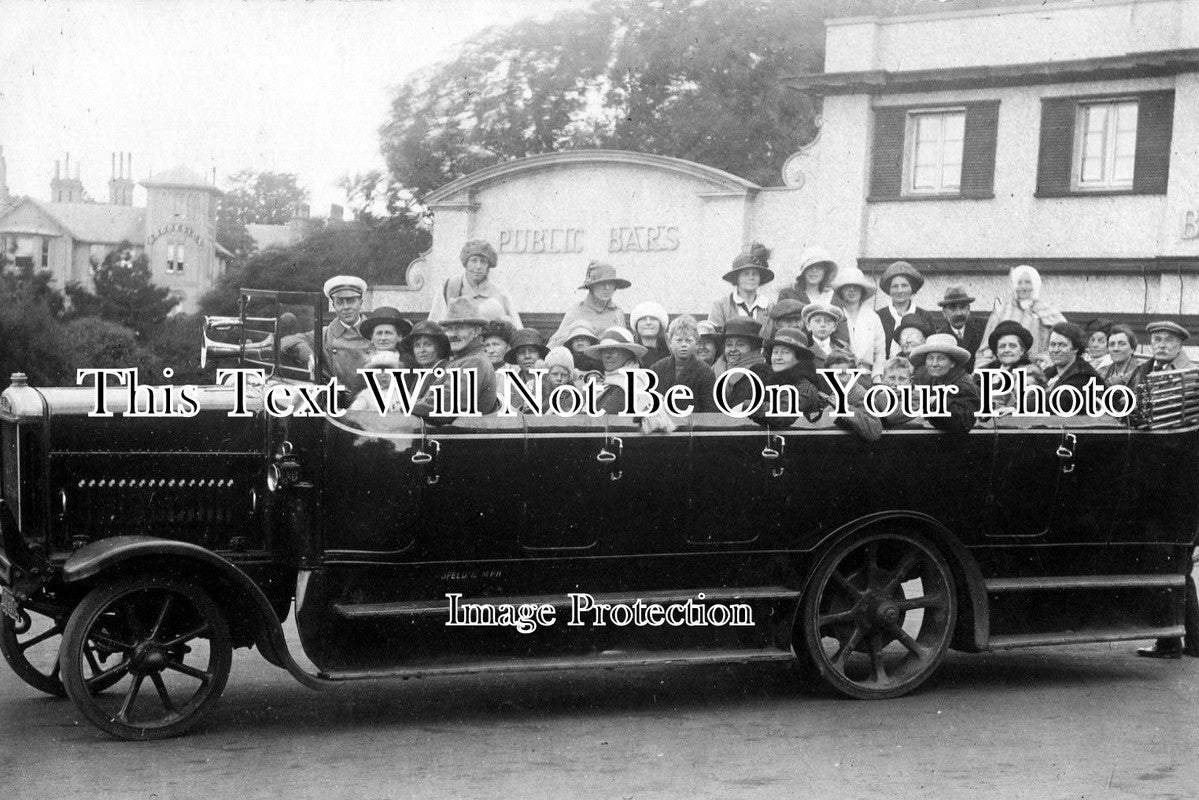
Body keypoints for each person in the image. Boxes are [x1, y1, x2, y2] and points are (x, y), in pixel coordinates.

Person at [281, 275, 374, 389]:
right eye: (340, 302)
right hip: (337, 401)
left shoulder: (377, 333)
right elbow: (286, 341)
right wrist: (308, 354)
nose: (346, 307)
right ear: (333, 305)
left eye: (351, 301)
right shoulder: (325, 334)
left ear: (361, 303)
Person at [412, 297, 498, 418]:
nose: (452, 334)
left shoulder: (475, 362)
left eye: (460, 328)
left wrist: (406, 407)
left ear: (477, 331)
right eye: (449, 329)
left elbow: (445, 404)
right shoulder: (462, 360)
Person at [976, 264, 1067, 367]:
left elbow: (1063, 340)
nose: (1023, 287)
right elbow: (985, 349)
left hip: (1037, 369)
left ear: (1035, 285)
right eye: (1019, 283)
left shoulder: (1048, 311)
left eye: (1028, 282)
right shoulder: (1001, 311)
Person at [428, 239, 522, 328]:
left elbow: (518, 330)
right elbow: (434, 328)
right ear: (466, 263)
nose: (478, 266)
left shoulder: (501, 295)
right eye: (473, 260)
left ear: (488, 266)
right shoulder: (449, 288)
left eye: (483, 262)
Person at [900, 333, 981, 433]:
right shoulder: (929, 378)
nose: (934, 364)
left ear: (952, 363)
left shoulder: (964, 385)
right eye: (930, 358)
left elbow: (964, 423)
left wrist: (936, 401)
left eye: (941, 358)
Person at [547, 262, 629, 348]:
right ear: (591, 287)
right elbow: (554, 345)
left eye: (611, 283)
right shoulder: (576, 311)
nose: (607, 288)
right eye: (602, 283)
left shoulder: (617, 312)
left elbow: (625, 344)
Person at [649, 314, 716, 414]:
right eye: (679, 340)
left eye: (688, 340)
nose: (684, 344)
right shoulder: (657, 369)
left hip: (693, 426)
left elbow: (709, 411)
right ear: (670, 342)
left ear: (696, 343)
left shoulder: (705, 372)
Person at [832, 266, 887, 383]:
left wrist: (877, 377)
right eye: (847, 287)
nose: (852, 290)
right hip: (840, 376)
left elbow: (880, 352)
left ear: (862, 290)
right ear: (841, 290)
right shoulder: (835, 316)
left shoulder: (872, 317)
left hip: (866, 375)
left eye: (856, 286)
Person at [975, 319, 1044, 412]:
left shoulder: (1030, 373)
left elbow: (1027, 403)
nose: (1006, 350)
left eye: (1012, 346)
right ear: (997, 352)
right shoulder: (982, 374)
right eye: (1002, 346)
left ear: (1022, 350)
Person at [581, 327, 651, 415]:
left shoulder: (629, 384)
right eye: (604, 351)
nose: (607, 356)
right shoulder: (603, 383)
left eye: (613, 351)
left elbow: (599, 418)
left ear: (628, 353)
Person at [708, 243, 774, 329]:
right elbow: (713, 337)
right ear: (737, 278)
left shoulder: (769, 307)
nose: (751, 278)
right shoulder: (720, 305)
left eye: (755, 274)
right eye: (746, 274)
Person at [761, 327, 823, 417]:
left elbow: (782, 413)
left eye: (785, 353)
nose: (778, 357)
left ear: (799, 359)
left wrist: (746, 406)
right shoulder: (769, 381)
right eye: (775, 352)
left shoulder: (804, 387)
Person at [877, 261, 935, 354]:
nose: (900, 290)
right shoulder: (878, 316)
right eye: (895, 286)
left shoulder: (924, 315)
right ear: (889, 290)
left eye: (904, 286)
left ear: (912, 289)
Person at [716, 317, 772, 411]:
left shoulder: (763, 374)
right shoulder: (715, 369)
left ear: (753, 348)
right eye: (729, 344)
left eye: (740, 344)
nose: (733, 349)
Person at [1043, 322, 1103, 394]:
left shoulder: (1083, 376)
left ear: (1075, 348)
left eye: (1062, 345)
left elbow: (1055, 400)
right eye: (1052, 345)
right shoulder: (1048, 373)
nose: (1056, 350)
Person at [936, 286, 985, 371]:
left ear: (969, 310)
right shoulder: (940, 337)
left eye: (962, 307)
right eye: (952, 308)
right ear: (944, 312)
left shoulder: (982, 331)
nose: (959, 313)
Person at [501, 328, 550, 410]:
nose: (527, 356)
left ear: (540, 354)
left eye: (532, 351)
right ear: (515, 357)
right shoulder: (509, 386)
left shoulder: (552, 382)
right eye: (521, 352)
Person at [801, 302, 849, 369]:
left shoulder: (843, 347)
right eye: (817, 321)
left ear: (834, 327)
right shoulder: (802, 347)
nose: (823, 325)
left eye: (828, 321)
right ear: (808, 326)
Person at [629, 301, 671, 368]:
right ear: (636, 325)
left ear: (660, 324)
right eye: (643, 319)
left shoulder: (671, 349)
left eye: (653, 319)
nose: (648, 323)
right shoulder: (629, 351)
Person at [1100, 324, 1141, 388]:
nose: (1116, 348)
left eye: (1122, 344)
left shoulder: (1141, 372)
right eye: (1112, 344)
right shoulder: (1101, 373)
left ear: (1132, 348)